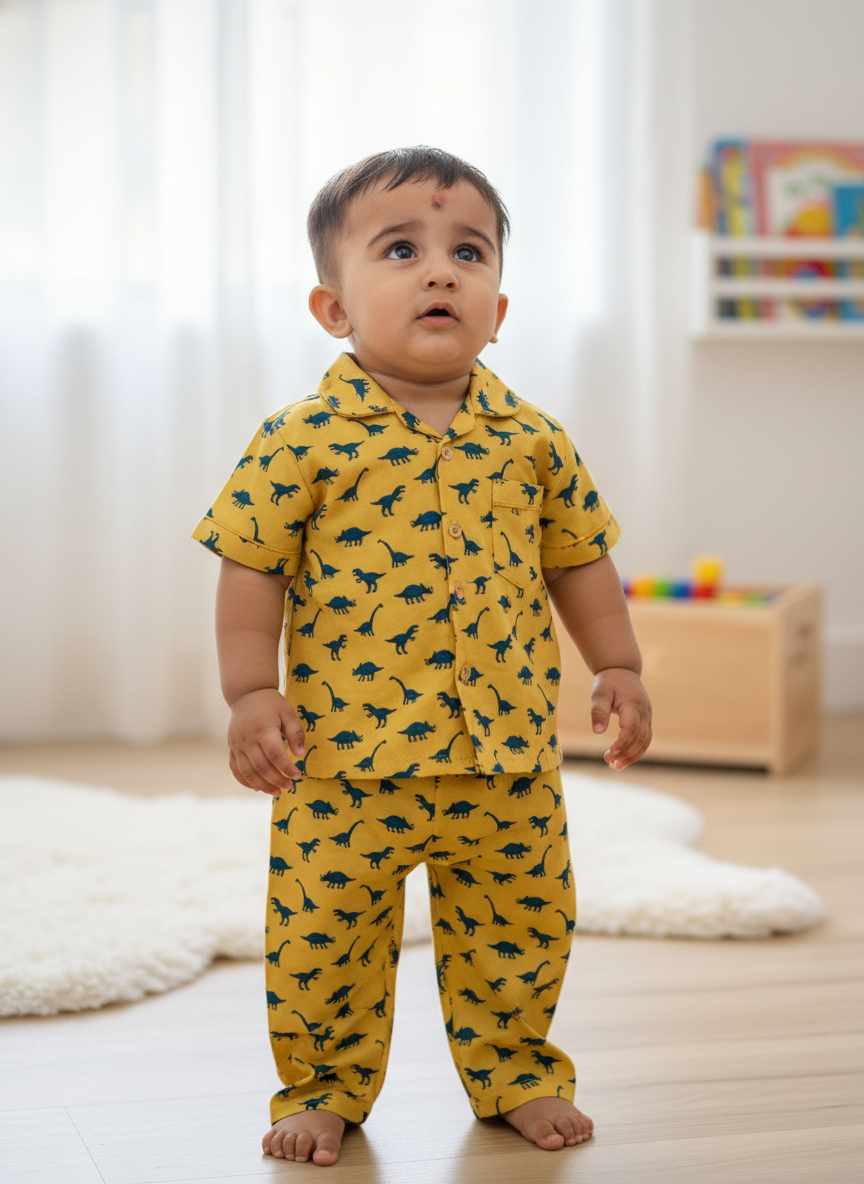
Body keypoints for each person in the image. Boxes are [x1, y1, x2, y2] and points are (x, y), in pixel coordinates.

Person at [192, 146, 652, 1166]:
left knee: (522, 924)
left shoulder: (534, 440)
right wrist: (249, 690)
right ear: (333, 307)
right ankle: (321, 1086)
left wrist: (617, 662)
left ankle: (518, 1068)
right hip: (345, 759)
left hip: (507, 759)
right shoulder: (300, 439)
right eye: (401, 248)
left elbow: (582, 560)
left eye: (468, 251)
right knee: (325, 934)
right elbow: (250, 568)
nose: (441, 269)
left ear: (499, 306)